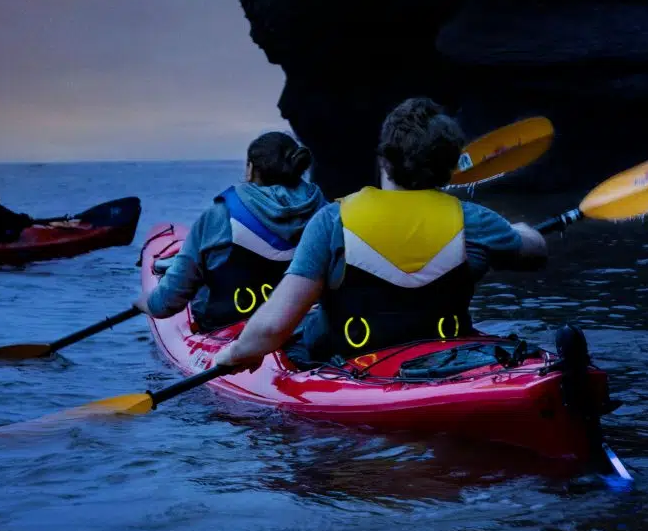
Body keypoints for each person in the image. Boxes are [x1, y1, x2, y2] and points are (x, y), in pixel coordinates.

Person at [215, 99, 547, 374]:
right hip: (447, 357)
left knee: (309, 329)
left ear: (383, 159)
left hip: (353, 366)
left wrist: (234, 353)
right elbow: (535, 252)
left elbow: (273, 329)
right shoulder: (474, 221)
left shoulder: (332, 221)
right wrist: (519, 230)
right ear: (447, 168)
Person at [138, 132, 326, 331]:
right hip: (305, 326)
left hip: (227, 326)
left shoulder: (219, 216)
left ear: (251, 169)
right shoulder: (328, 215)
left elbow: (167, 302)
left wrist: (146, 304)